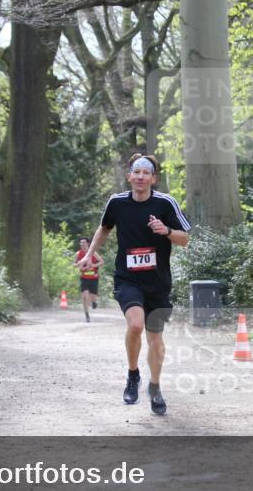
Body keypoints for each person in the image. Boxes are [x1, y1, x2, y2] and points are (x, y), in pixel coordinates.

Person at [77, 154, 190, 415]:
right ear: (129, 176)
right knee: (136, 324)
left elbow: (185, 239)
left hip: (158, 283)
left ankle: (155, 387)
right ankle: (132, 375)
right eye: (136, 172)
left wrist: (167, 231)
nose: (140, 177)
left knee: (156, 340)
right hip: (128, 279)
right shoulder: (117, 203)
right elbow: (104, 228)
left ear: (153, 178)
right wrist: (89, 254)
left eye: (145, 173)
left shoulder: (165, 203)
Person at [74, 237, 104, 323]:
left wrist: (92, 266)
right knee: (84, 297)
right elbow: (74, 264)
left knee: (92, 298)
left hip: (94, 278)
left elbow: (102, 262)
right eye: (81, 243)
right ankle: (87, 315)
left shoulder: (93, 253)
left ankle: (94, 302)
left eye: (84, 242)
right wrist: (78, 264)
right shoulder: (78, 253)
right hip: (84, 278)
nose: (82, 244)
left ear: (88, 243)